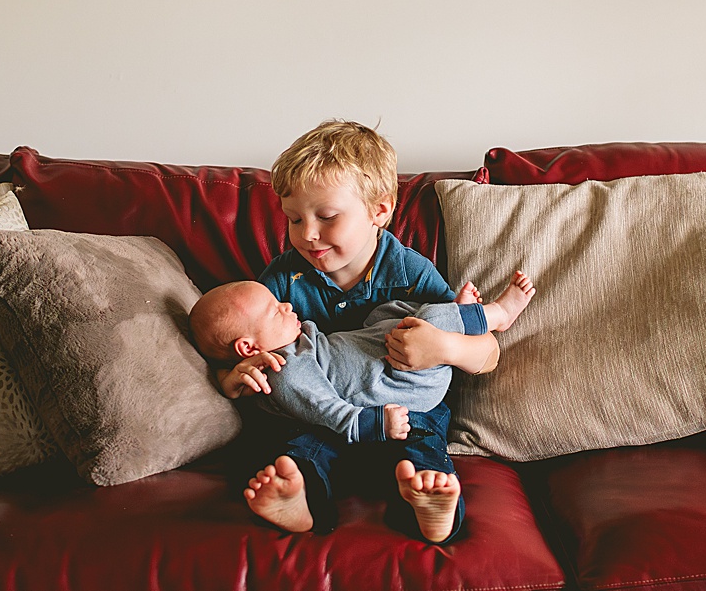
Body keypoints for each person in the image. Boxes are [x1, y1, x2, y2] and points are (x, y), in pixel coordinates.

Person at [210, 119, 507, 543]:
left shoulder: (408, 271)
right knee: (299, 444)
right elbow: (241, 347)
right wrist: (232, 378)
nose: (308, 235)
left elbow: (487, 353)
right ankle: (301, 500)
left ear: (380, 210)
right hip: (328, 415)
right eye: (294, 220)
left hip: (406, 406)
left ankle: (430, 505)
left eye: (327, 217)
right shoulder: (281, 281)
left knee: (422, 445)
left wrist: (442, 346)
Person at [192, 273, 534, 542]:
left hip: (391, 383)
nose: (285, 305)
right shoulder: (284, 366)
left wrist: (227, 378)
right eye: (273, 310)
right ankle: (496, 314)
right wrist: (368, 424)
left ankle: (315, 497)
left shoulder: (293, 345)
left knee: (311, 449)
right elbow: (322, 407)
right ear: (248, 346)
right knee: (418, 452)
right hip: (392, 398)